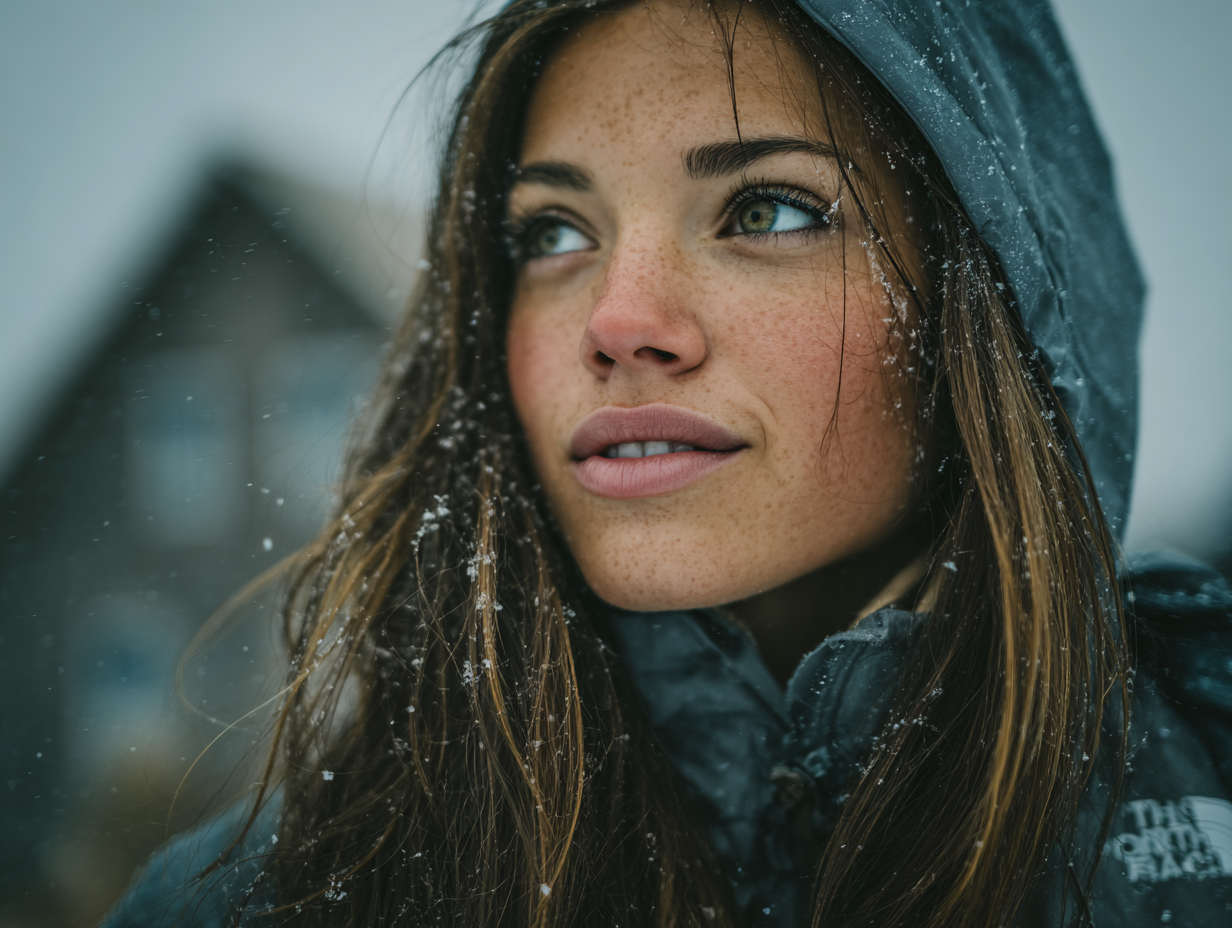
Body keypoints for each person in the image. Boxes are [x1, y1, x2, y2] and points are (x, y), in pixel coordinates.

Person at [102, 1, 1232, 926]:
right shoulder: (263, 904)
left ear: (991, 293)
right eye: (552, 233)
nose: (617, 319)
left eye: (768, 209)